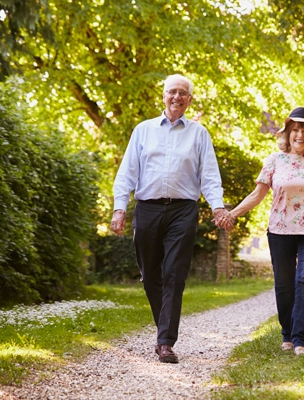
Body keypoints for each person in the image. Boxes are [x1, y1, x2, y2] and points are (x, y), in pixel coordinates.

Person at [110, 74, 230, 363]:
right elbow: (127, 171)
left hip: (183, 210)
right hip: (148, 208)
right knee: (150, 274)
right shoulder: (143, 130)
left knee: (174, 274)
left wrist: (217, 207)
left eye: (183, 93)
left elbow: (210, 176)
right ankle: (163, 328)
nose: (177, 97)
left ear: (190, 99)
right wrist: (119, 207)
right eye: (172, 92)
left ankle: (165, 341)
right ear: (163, 96)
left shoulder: (199, 134)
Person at [218, 107, 304, 356]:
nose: (300, 134)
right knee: (284, 285)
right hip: (281, 230)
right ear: (288, 133)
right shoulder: (274, 160)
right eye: (295, 130)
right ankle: (287, 333)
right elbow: (258, 195)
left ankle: (300, 338)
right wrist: (232, 214)